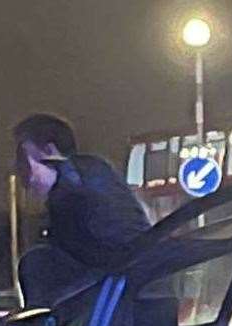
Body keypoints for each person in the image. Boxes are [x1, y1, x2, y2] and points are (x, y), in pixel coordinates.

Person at [12, 114, 151, 307]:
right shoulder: (97, 169)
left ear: (49, 151)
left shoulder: (70, 190)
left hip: (119, 289)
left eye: (25, 162)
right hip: (142, 283)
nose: (26, 179)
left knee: (36, 262)